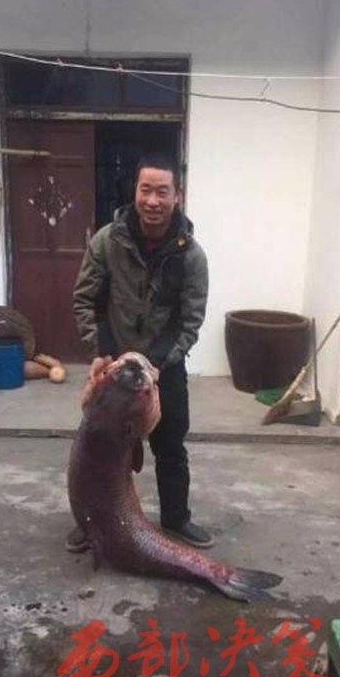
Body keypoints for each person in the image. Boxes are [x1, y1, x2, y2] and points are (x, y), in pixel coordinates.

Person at [66, 153, 212, 551]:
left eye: (162, 192)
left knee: (171, 446)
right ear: (135, 191)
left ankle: (177, 520)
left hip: (165, 366)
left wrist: (157, 364)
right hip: (114, 365)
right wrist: (101, 351)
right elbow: (86, 299)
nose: (152, 201)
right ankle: (91, 521)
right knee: (96, 448)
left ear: (177, 195)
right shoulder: (107, 241)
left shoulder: (191, 256)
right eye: (145, 190)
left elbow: (190, 320)